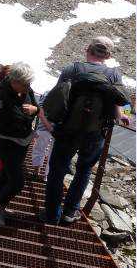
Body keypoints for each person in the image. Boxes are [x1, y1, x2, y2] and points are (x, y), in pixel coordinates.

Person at [41, 37, 130, 225]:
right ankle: (69, 212)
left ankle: (51, 215)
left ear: (87, 49)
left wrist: (50, 124)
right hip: (95, 133)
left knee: (57, 171)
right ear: (108, 55)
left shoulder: (71, 69)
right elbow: (118, 102)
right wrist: (121, 116)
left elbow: (57, 98)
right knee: (84, 170)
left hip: (66, 130)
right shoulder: (113, 75)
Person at [0, 62, 39, 226]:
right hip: (7, 141)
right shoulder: (3, 92)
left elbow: (36, 106)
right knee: (18, 182)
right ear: (14, 81)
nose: (28, 87)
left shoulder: (26, 89)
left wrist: (35, 110)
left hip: (23, 141)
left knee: (6, 174)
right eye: (25, 84)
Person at [31, 91, 54, 178]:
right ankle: (47, 176)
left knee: (39, 149)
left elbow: (39, 110)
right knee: (53, 154)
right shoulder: (70, 94)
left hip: (43, 127)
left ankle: (36, 172)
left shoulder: (47, 92)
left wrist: (46, 124)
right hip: (59, 129)